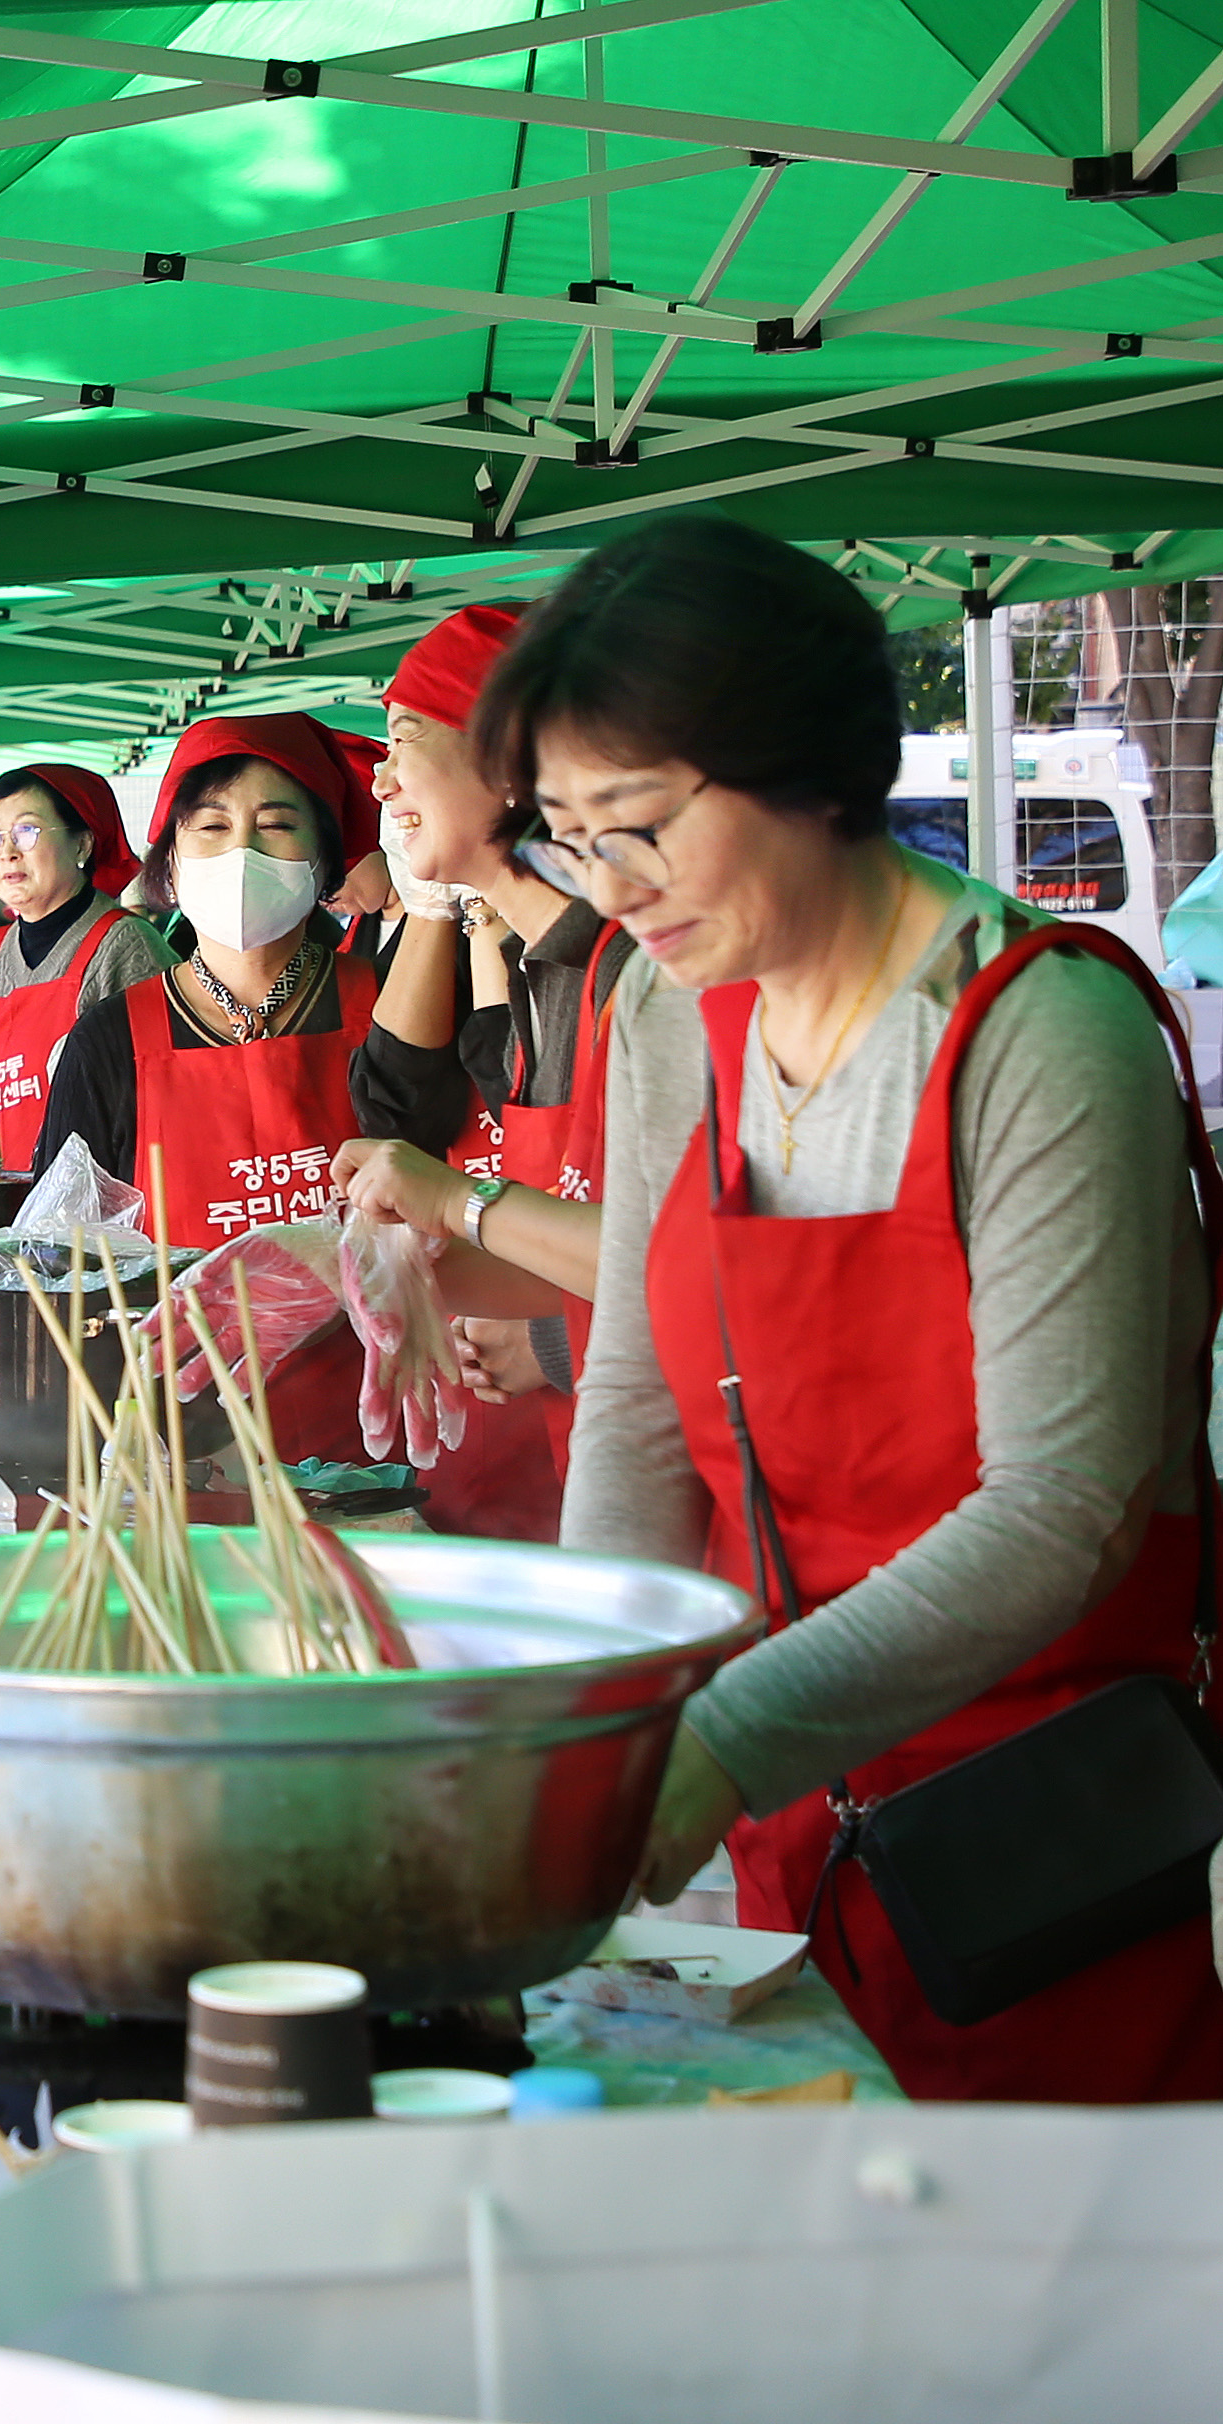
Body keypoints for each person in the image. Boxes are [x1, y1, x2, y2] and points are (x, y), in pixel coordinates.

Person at [520, 516, 1223, 2102]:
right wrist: (585, 1719)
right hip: (787, 1848)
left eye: (638, 822)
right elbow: (634, 1408)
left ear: (812, 769)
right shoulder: (662, 1015)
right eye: (567, 834)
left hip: (1050, 1846)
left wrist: (711, 1744)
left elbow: (1061, 1510)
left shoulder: (1035, 1031)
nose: (605, 885)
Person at [334, 607, 634, 1542]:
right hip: (600, 1477)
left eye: (405, 739)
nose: (380, 778)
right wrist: (369, 1269)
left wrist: (454, 1202)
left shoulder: (633, 972)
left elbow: (688, 1263)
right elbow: (582, 1247)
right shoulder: (541, 973)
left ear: (509, 760)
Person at [31, 715, 425, 1249]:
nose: (242, 852)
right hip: (176, 1333)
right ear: (169, 859)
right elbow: (63, 1257)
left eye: (277, 825)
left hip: (379, 1333)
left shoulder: (398, 1008)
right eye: (212, 826)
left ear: (326, 858)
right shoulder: (107, 1041)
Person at [0, 763, 170, 1170]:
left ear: (82, 845)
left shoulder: (125, 947)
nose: (7, 851)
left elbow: (162, 1104)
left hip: (91, 1221)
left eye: (27, 831)